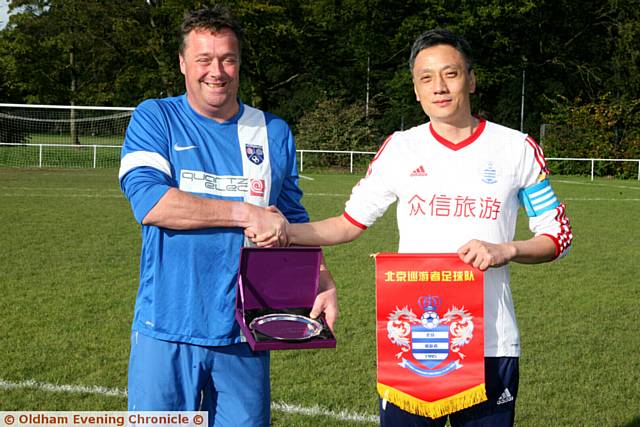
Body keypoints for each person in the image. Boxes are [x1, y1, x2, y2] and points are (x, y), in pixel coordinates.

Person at [253, 28, 572, 426]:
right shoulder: (400, 148)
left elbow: (557, 236)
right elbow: (348, 224)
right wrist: (285, 232)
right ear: (416, 90)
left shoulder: (517, 148)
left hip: (490, 341)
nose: (439, 87)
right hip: (411, 344)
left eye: (450, 74)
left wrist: (506, 249)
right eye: (426, 78)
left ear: (471, 80)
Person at [118, 6, 338, 426]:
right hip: (167, 325)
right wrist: (245, 213)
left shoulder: (272, 131)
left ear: (239, 63)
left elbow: (289, 216)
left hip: (245, 328)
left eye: (227, 59)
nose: (215, 71)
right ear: (183, 64)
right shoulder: (156, 117)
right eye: (203, 59)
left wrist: (321, 278)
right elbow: (150, 203)